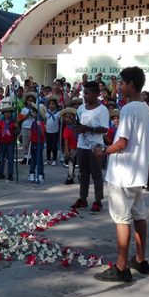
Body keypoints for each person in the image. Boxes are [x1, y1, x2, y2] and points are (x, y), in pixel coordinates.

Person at [92, 66, 149, 283]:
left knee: (122, 219)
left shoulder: (128, 109)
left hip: (122, 173)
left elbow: (123, 142)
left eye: (122, 83)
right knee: (139, 215)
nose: (119, 86)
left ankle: (121, 266)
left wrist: (104, 151)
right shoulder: (145, 108)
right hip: (137, 172)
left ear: (131, 85)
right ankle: (140, 259)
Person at [69, 82, 109, 213]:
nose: (84, 96)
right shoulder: (81, 108)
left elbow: (104, 129)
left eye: (87, 93)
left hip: (95, 146)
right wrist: (76, 127)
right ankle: (83, 198)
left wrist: (87, 128)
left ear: (96, 94)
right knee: (83, 173)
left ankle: (98, 200)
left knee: (96, 173)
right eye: (83, 93)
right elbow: (79, 123)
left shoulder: (102, 110)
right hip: (82, 144)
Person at [0, 104, 16, 182]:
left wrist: (16, 127)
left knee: (10, 158)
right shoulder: (0, 122)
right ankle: (0, 173)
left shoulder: (13, 121)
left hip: (10, 142)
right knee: (1, 159)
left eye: (9, 112)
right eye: (5, 112)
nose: (7, 114)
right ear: (3, 113)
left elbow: (16, 133)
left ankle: (10, 174)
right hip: (2, 142)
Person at [27, 103, 46, 183]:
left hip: (39, 144)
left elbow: (42, 133)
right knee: (33, 160)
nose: (32, 113)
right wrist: (28, 141)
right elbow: (31, 133)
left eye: (34, 112)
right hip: (33, 143)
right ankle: (32, 174)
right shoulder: (33, 122)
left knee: (39, 160)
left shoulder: (40, 123)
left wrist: (40, 126)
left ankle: (40, 175)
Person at [60, 107, 78, 185]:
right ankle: (70, 176)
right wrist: (66, 150)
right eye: (66, 117)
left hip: (80, 147)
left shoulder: (78, 127)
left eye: (70, 117)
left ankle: (82, 175)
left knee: (81, 162)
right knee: (71, 162)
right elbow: (66, 140)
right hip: (72, 148)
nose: (68, 119)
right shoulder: (67, 128)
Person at [45, 96, 61, 165]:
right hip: (48, 131)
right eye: (50, 104)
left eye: (53, 104)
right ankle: (48, 159)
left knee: (54, 146)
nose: (51, 105)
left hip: (55, 131)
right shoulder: (46, 113)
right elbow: (45, 121)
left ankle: (54, 159)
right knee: (48, 146)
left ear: (56, 105)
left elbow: (60, 121)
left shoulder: (58, 113)